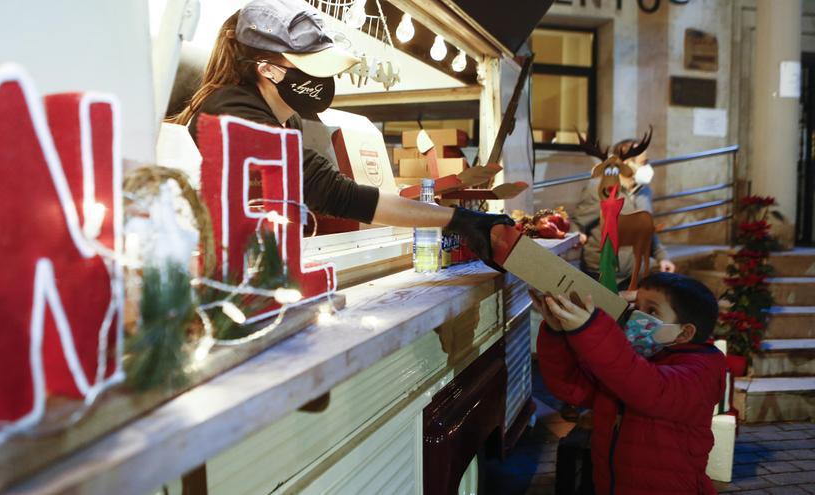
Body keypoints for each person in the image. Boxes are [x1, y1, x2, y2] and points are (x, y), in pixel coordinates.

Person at [168, 0, 512, 267]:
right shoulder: (230, 112)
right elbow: (330, 192)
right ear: (268, 70)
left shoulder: (289, 117)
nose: (319, 80)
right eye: (306, 67)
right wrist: (459, 219)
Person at [531, 272, 725, 494]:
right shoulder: (633, 359)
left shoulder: (701, 371)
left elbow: (647, 387)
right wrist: (556, 333)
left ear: (684, 332)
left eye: (651, 311)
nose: (637, 317)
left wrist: (592, 328)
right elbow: (571, 387)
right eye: (636, 306)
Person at [571, 139, 676, 289]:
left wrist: (662, 257)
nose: (647, 167)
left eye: (647, 161)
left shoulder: (644, 190)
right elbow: (577, 223)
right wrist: (576, 234)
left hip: (637, 268)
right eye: (643, 162)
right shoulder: (599, 188)